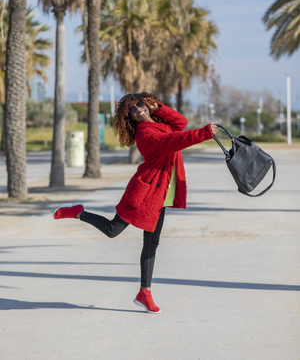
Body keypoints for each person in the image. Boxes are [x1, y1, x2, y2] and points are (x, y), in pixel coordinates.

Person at [54, 92, 218, 314]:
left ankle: (145, 292)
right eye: (132, 110)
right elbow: (172, 141)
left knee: (152, 244)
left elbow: (181, 122)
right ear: (130, 118)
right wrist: (204, 133)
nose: (138, 110)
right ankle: (78, 213)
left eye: (140, 105)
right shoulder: (145, 135)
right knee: (113, 230)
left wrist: (158, 107)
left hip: (161, 195)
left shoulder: (162, 122)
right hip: (144, 192)